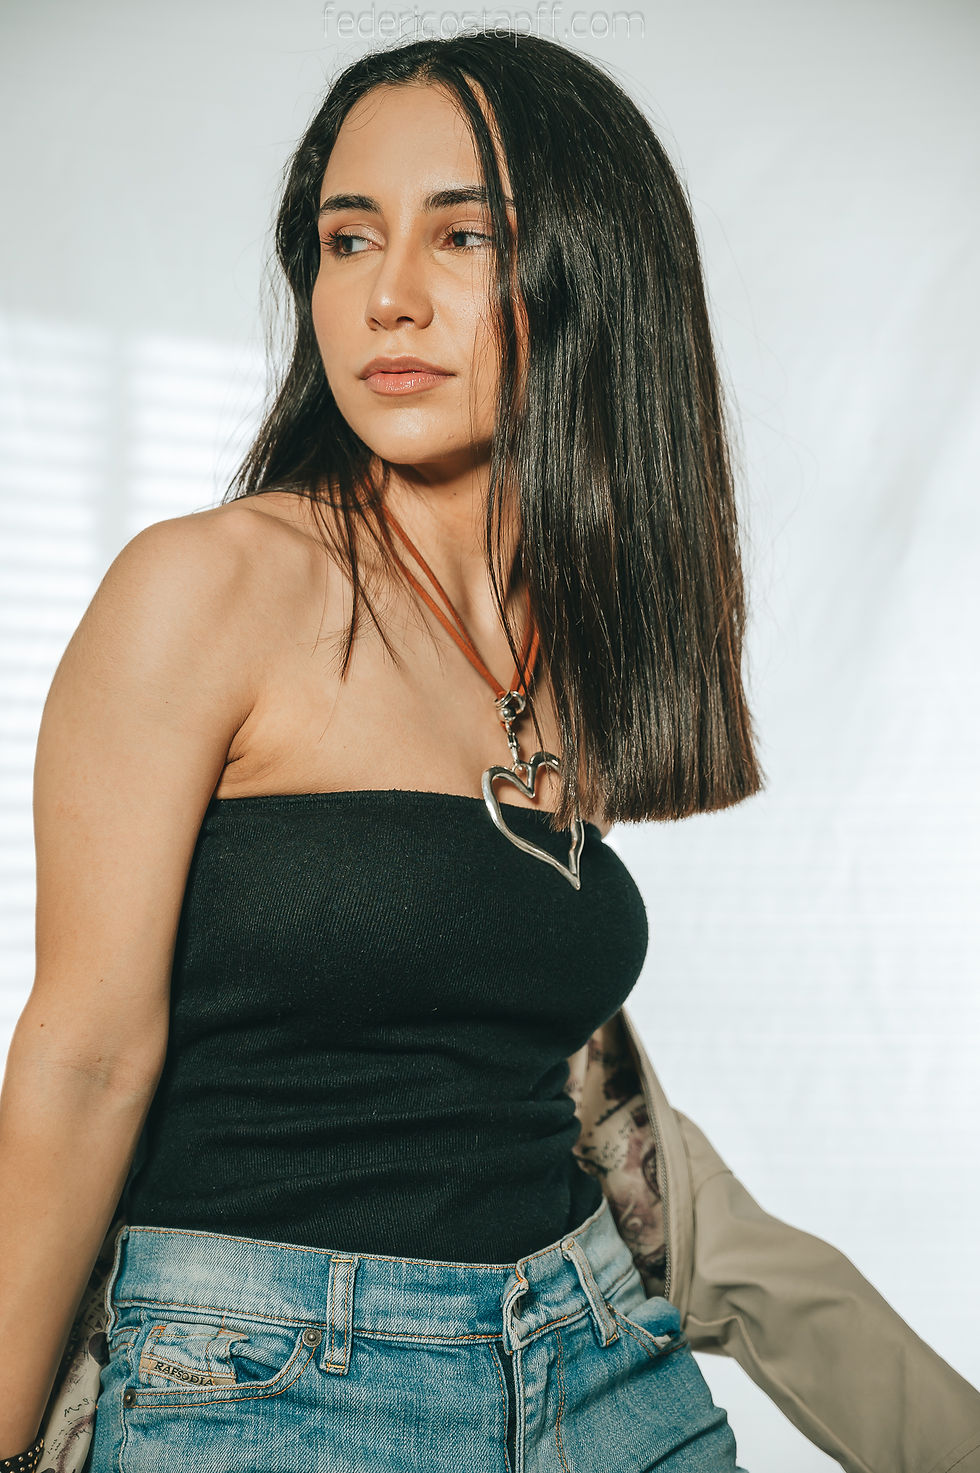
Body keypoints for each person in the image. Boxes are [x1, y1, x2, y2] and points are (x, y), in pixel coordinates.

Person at [2, 27, 969, 1473]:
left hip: (593, 1354)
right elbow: (83, 1059)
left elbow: (563, 1096)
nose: (388, 294)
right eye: (348, 238)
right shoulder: (207, 588)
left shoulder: (566, 649)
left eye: (465, 237)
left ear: (594, 274)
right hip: (269, 1378)